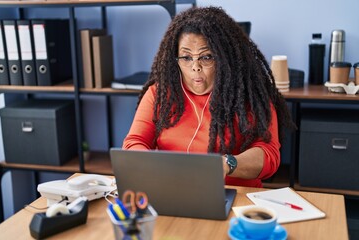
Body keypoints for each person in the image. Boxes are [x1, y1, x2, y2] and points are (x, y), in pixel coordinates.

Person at [123, 6, 294, 188]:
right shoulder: (159, 94)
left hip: (236, 195)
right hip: (173, 190)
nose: (195, 67)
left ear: (224, 57)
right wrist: (157, 166)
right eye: (186, 58)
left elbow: (269, 155)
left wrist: (227, 164)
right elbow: (134, 142)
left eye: (206, 57)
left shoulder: (249, 96)